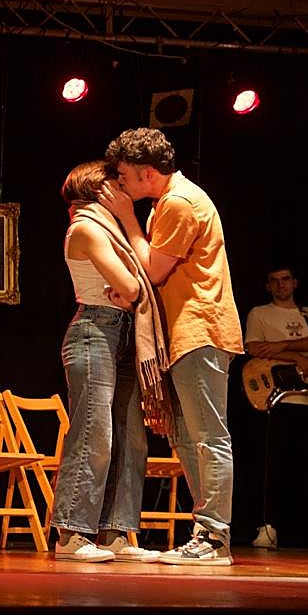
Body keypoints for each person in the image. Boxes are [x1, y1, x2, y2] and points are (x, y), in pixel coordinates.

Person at [101, 127, 243, 566]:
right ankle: (207, 533)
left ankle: (214, 537)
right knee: (186, 436)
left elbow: (154, 270)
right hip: (183, 334)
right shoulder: (168, 202)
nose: (120, 184)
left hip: (200, 330)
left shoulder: (180, 202)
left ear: (147, 173)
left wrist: (127, 218)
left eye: (125, 176)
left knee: (208, 436)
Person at [52, 161, 167, 563]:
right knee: (93, 434)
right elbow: (132, 286)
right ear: (99, 191)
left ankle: (115, 532)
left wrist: (132, 296)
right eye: (115, 183)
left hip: (124, 334)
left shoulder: (112, 229)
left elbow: (136, 287)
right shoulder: (86, 228)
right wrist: (131, 294)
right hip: (95, 333)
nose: (124, 189)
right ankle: (71, 533)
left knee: (130, 437)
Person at [244, 266, 308, 552]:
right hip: (275, 398)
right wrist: (298, 357)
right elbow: (254, 348)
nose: (281, 285)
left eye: (285, 279)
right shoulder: (259, 314)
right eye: (274, 281)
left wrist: (282, 346)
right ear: (268, 286)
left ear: (295, 283)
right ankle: (268, 527)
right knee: (272, 466)